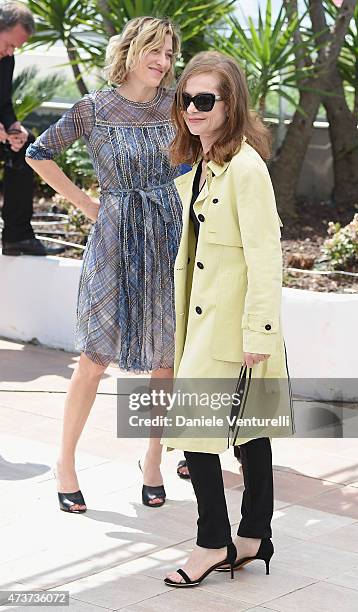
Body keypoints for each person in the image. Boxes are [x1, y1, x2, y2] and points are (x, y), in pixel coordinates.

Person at [25, 16, 185, 511]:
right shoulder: (93, 108)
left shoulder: (178, 105)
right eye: (154, 51)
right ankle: (65, 464)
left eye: (170, 54)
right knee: (94, 358)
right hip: (114, 238)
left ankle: (153, 459)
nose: (163, 62)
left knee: (165, 358)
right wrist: (87, 204)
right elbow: (38, 152)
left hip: (169, 234)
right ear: (131, 49)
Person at [162, 51, 295, 587]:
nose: (192, 109)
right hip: (204, 322)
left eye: (204, 100)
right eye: (185, 99)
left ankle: (212, 541)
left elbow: (267, 254)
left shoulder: (246, 168)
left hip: (234, 328)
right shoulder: (202, 164)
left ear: (229, 103)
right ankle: (254, 536)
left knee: (200, 434)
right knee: (247, 432)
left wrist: (258, 332)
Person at [0, 0, 64, 256]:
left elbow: (3, 102)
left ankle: (17, 236)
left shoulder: (6, 59)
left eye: (16, 47)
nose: (11, 51)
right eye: (9, 44)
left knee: (26, 147)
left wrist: (14, 127)